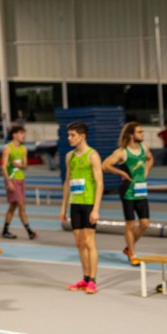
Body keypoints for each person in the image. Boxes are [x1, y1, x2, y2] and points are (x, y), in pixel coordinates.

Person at [59, 121, 104, 294]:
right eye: (68, 135)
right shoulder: (69, 156)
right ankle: (85, 278)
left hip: (88, 203)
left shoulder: (93, 155)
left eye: (72, 135)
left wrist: (96, 209)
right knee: (79, 243)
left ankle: (93, 280)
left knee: (89, 242)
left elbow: (100, 183)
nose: (69, 138)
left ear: (82, 136)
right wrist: (63, 207)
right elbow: (67, 182)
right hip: (75, 203)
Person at [103, 122, 153, 266]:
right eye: (139, 132)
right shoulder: (122, 152)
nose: (142, 134)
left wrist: (146, 171)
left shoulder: (144, 148)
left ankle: (128, 248)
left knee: (144, 224)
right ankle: (133, 253)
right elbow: (105, 165)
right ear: (131, 135)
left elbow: (150, 159)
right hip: (128, 191)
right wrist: (121, 173)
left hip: (141, 190)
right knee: (130, 224)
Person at [1, 125, 38, 240]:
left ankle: (5, 230)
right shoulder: (8, 148)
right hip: (12, 179)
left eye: (23, 134)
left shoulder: (23, 149)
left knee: (12, 206)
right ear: (14, 135)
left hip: (21, 179)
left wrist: (19, 165)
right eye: (21, 134)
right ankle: (30, 231)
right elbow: (3, 166)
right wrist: (8, 182)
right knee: (21, 205)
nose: (23, 136)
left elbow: (25, 165)